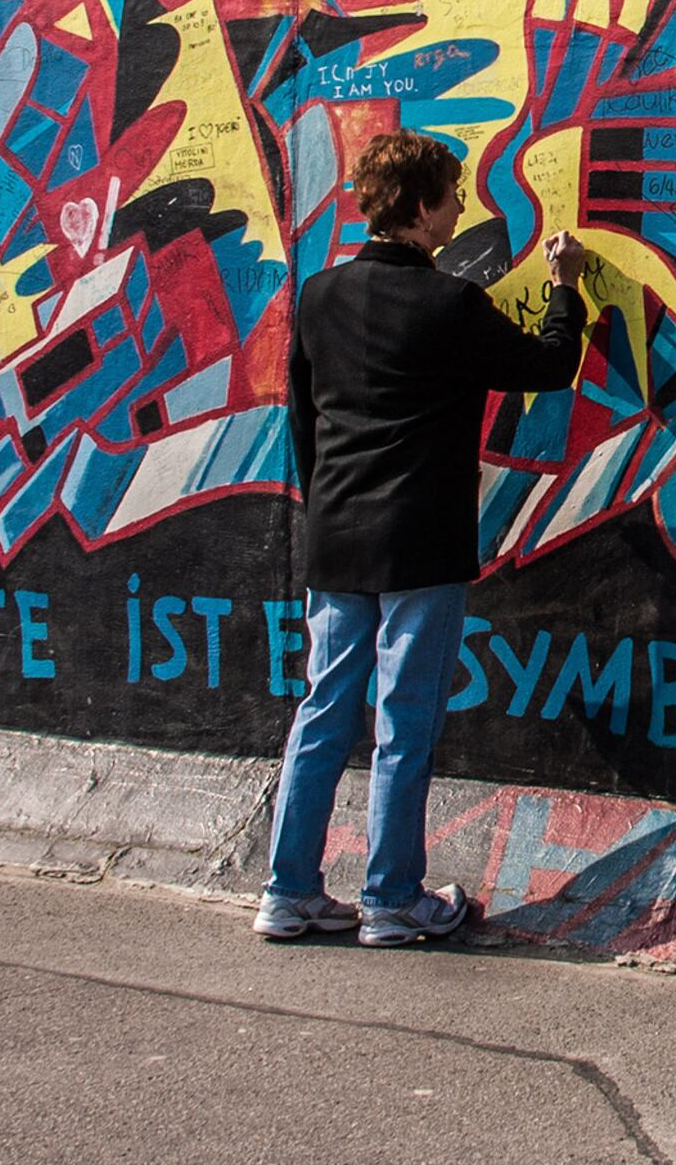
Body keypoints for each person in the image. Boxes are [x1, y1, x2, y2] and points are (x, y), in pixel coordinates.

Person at [255, 129, 588, 946]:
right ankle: (391, 899)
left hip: (336, 536)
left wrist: (327, 505)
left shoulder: (321, 295)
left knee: (324, 711)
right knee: (404, 722)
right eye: (450, 195)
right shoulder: (448, 304)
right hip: (422, 540)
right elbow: (548, 366)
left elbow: (304, 420)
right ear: (416, 208)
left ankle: (288, 890)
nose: (462, 208)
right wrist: (563, 287)